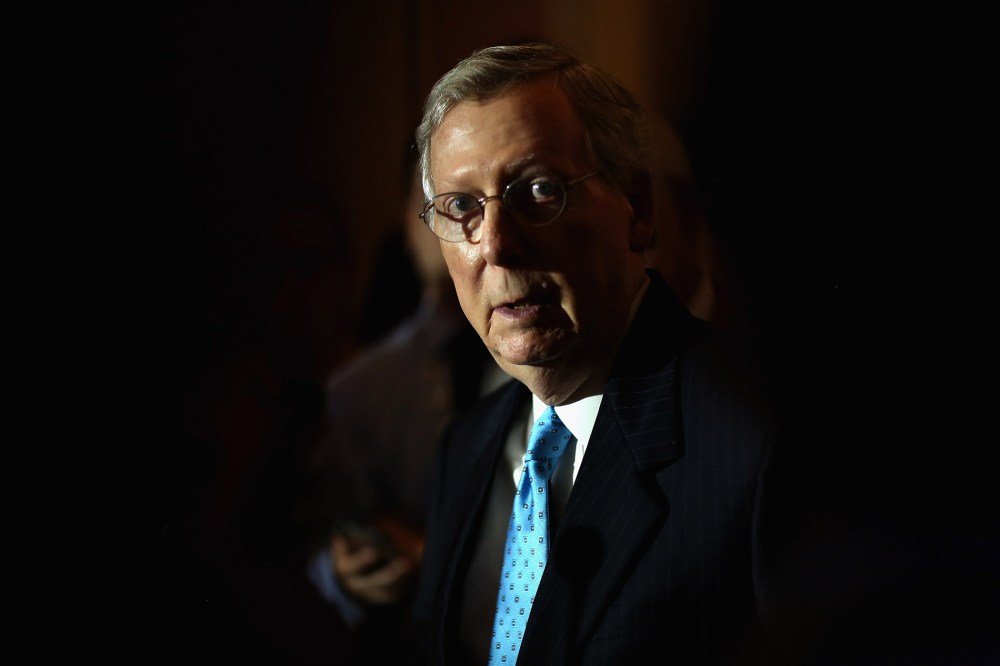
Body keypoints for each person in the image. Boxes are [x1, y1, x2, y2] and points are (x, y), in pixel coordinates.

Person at [410, 41, 780, 664]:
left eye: (537, 190)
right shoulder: (466, 448)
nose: (496, 246)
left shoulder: (756, 432)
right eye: (462, 207)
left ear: (637, 210)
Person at [298, 154, 511, 658]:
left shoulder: (548, 364)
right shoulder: (359, 389)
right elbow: (317, 533)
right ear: (407, 218)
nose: (463, 225)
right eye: (446, 199)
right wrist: (345, 571)